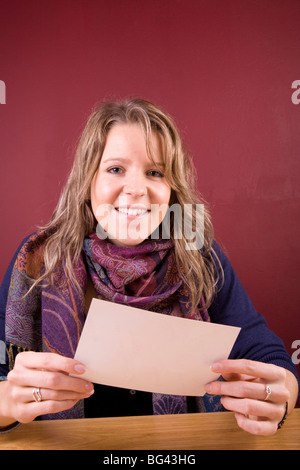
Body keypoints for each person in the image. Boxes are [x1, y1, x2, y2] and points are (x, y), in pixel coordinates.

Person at [0, 99, 298, 436]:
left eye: (155, 172)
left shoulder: (199, 257)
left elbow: (266, 354)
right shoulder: (40, 261)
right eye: (115, 169)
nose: (137, 189)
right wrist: (7, 401)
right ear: (88, 180)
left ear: (171, 188)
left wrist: (279, 394)